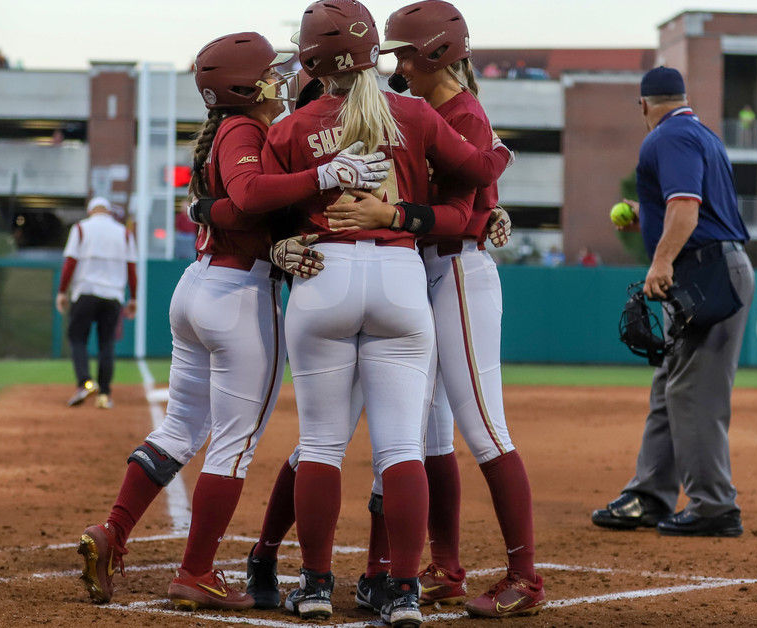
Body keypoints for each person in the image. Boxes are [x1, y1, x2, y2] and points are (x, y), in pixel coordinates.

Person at [74, 31, 389, 612]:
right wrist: (327, 177)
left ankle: (113, 533)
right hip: (241, 294)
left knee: (180, 430)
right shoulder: (245, 128)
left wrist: (214, 212)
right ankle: (194, 572)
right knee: (233, 447)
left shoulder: (233, 128)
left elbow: (225, 205)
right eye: (271, 69)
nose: (282, 74)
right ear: (249, 84)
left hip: (202, 285)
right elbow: (246, 196)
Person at [261, 2, 514, 625]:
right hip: (402, 278)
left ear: (311, 61)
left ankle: (316, 585)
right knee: (402, 446)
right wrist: (500, 157)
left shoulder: (292, 127)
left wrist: (278, 244)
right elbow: (478, 173)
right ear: (374, 51)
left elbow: (257, 204)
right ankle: (401, 591)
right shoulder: (416, 111)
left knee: (320, 444)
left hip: (324, 276)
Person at [591, 66, 754, 538]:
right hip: (711, 267)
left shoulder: (667, 137)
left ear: (644, 105)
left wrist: (659, 261)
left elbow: (686, 207)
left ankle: (714, 506)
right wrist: (647, 217)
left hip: (706, 272)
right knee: (671, 385)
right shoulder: (700, 132)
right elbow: (687, 206)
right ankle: (649, 495)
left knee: (693, 394)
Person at [57, 197, 137, 409]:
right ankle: (104, 394)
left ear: (90, 210)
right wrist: (134, 298)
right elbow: (131, 269)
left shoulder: (81, 228)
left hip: (85, 291)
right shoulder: (124, 232)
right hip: (113, 296)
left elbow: (70, 262)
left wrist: (62, 291)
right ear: (108, 211)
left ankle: (85, 383)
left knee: (77, 338)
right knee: (106, 343)